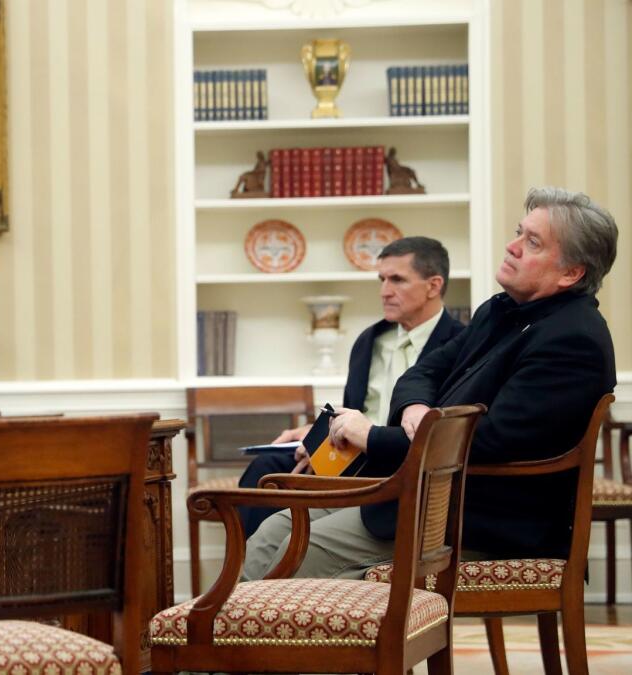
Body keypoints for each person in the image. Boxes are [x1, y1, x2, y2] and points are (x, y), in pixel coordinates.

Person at [243, 187, 618, 580]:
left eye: (533, 242)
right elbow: (422, 373)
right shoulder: (499, 311)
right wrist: (416, 408)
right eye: (519, 232)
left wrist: (371, 437)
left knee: (299, 551)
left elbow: (488, 442)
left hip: (484, 518)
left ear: (570, 273)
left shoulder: (573, 339)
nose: (512, 246)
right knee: (271, 534)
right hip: (428, 493)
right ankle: (232, 638)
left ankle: (263, 636)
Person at [236, 237, 465, 537]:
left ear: (433, 286)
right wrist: (317, 436)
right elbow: (354, 410)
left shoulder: (461, 345)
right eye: (381, 279)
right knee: (267, 469)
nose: (384, 291)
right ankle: (257, 580)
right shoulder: (369, 341)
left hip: (403, 462)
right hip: (352, 455)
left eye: (397, 280)